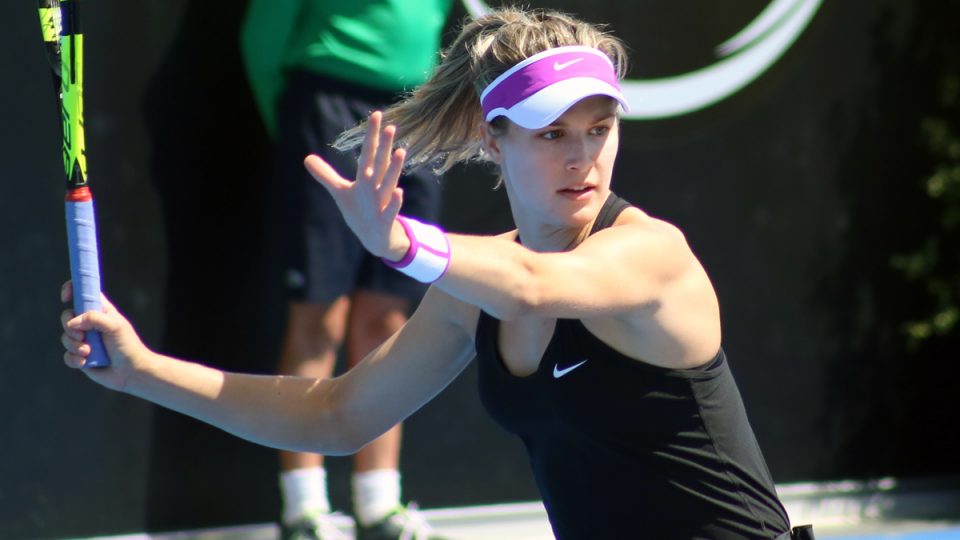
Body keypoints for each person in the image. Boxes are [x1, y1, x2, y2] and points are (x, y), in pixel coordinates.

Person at [61, 8, 811, 539]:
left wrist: (399, 245)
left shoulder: (653, 256)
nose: (582, 157)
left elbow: (531, 285)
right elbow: (336, 416)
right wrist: (143, 373)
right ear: (495, 140)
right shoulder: (469, 297)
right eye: (552, 134)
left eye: (599, 129)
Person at [239, 1, 452, 539]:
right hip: (324, 110)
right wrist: (292, 127)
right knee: (319, 317)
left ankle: (380, 505)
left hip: (414, 119)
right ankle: (304, 509)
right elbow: (263, 36)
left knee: (388, 318)